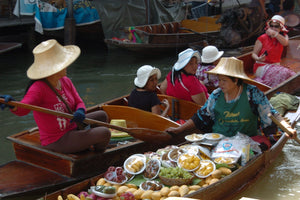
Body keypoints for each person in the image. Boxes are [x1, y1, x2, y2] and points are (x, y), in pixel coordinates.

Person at [0, 39, 111, 154]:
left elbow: (79, 101)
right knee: (104, 133)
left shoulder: (65, 81)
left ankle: (89, 146)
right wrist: (12, 105)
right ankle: (95, 155)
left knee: (102, 115)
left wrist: (80, 111)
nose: (67, 65)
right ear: (54, 68)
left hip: (72, 126)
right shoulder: (38, 88)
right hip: (57, 140)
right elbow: (24, 108)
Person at [165, 57, 297, 148]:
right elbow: (201, 116)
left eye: (224, 81)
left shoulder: (252, 94)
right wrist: (179, 130)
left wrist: (288, 128)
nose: (220, 84)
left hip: (246, 142)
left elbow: (271, 114)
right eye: (219, 80)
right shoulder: (216, 96)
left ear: (236, 80)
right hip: (219, 141)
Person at [252, 15, 296, 88]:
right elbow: (254, 54)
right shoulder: (262, 38)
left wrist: (275, 34)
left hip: (275, 66)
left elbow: (285, 43)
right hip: (262, 66)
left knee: (291, 75)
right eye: (271, 26)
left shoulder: (283, 37)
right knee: (285, 72)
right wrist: (258, 59)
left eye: (276, 27)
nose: (273, 28)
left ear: (280, 28)